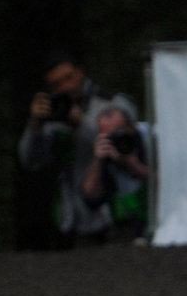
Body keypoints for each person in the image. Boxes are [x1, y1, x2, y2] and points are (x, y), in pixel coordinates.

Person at [18, 54, 137, 246]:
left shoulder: (112, 103)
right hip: (73, 217)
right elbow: (31, 161)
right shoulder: (53, 112)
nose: (64, 87)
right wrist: (35, 125)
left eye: (69, 78)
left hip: (115, 212)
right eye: (56, 84)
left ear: (81, 73)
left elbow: (123, 149)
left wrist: (81, 122)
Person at [81, 103, 151, 241]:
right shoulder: (104, 152)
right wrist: (98, 162)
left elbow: (170, 183)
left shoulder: (151, 139)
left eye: (119, 133)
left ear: (131, 127)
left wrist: (135, 167)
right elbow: (90, 198)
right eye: (108, 137)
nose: (116, 141)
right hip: (124, 230)